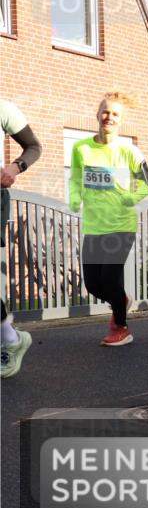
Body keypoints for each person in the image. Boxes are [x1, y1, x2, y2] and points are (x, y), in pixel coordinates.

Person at [69, 92, 148, 346]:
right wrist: (74, 197)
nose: (109, 117)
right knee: (93, 284)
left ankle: (121, 327)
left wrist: (131, 197)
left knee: (109, 279)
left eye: (115, 114)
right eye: (105, 112)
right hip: (94, 226)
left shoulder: (129, 151)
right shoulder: (80, 148)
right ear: (97, 115)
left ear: (121, 120)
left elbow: (146, 183)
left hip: (121, 225)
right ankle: (120, 301)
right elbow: (75, 178)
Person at [1, 99, 42, 378]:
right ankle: (11, 338)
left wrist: (14, 169)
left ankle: (10, 340)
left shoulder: (3, 108)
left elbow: (34, 147)